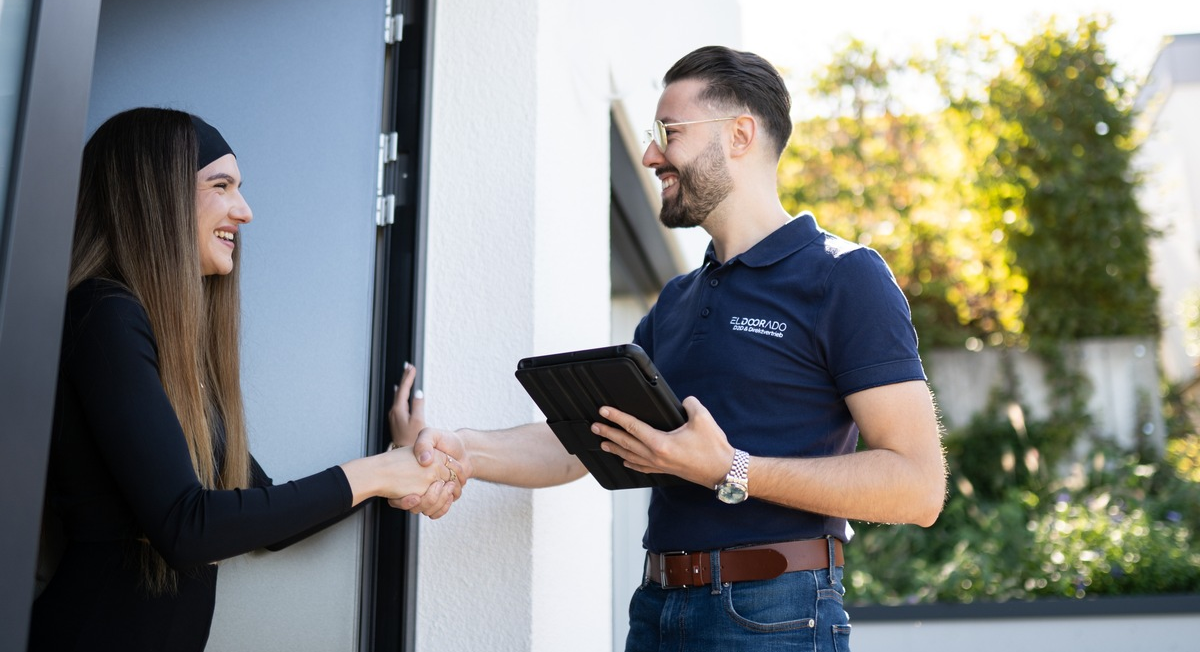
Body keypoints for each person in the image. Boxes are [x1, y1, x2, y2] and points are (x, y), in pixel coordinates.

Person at [395, 46, 948, 651]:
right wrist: (464, 450)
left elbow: (918, 486)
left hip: (776, 616)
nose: (650, 153)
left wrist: (729, 469)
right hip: (657, 611)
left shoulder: (845, 277)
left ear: (739, 135)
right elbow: (587, 440)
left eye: (669, 131)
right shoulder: (678, 300)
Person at [29, 107, 460, 652]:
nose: (246, 211)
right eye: (221, 185)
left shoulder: (167, 346)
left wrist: (396, 465)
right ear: (154, 193)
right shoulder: (103, 313)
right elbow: (188, 527)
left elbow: (265, 513)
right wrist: (379, 472)